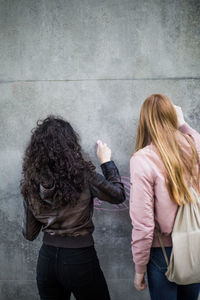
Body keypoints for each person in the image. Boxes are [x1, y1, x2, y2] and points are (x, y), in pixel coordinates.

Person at [21, 115, 125, 300]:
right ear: (70, 145)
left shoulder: (31, 181)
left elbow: (29, 234)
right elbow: (118, 195)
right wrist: (106, 162)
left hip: (46, 262)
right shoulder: (83, 176)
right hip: (80, 259)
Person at [129, 94, 200, 300]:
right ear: (172, 117)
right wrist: (183, 124)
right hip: (195, 245)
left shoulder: (143, 159)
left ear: (144, 121)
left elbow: (143, 225)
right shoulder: (192, 147)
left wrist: (139, 269)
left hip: (163, 252)